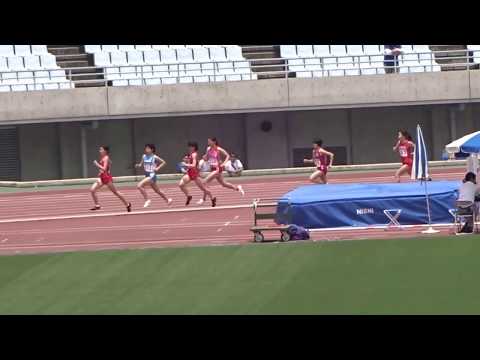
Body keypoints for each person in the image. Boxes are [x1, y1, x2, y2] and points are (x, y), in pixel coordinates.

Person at [196, 137, 245, 205]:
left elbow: (227, 155)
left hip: (217, 169)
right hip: (212, 169)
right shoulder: (208, 149)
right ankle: (238, 188)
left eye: (209, 141)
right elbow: (207, 158)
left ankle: (203, 199)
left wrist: (223, 164)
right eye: (208, 141)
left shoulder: (218, 149)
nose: (208, 142)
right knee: (224, 184)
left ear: (214, 142)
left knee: (204, 182)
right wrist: (204, 158)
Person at [90, 145, 132, 212]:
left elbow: (104, 168)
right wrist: (101, 172)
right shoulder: (103, 158)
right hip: (102, 178)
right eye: (100, 149)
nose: (99, 151)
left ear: (105, 151)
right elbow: (107, 166)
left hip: (106, 178)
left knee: (115, 192)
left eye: (101, 149)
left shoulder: (106, 158)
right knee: (92, 189)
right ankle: (97, 205)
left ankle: (127, 204)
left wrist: (97, 164)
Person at [179, 141, 216, 207]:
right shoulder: (191, 154)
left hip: (194, 174)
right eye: (189, 146)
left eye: (191, 146)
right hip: (190, 173)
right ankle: (189, 196)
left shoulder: (194, 154)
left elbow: (193, 165)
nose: (189, 148)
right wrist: (186, 164)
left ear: (194, 147)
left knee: (203, 189)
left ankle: (212, 198)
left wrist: (186, 164)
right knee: (181, 185)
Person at [135, 144, 173, 208]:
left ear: (152, 150)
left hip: (152, 175)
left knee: (139, 185)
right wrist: (138, 165)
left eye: (148, 148)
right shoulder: (144, 156)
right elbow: (141, 164)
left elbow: (163, 162)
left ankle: (147, 200)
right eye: (146, 148)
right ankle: (168, 200)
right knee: (157, 191)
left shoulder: (154, 157)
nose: (146, 150)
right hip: (147, 175)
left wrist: (157, 168)